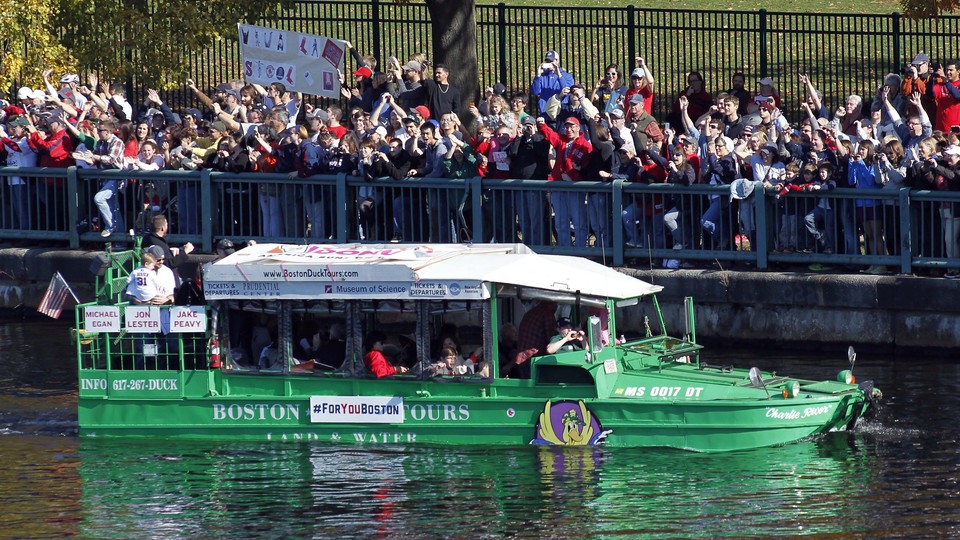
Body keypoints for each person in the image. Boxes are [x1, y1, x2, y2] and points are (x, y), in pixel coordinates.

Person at [141, 214, 194, 284]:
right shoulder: (159, 243)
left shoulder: (147, 238)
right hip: (165, 281)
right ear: (163, 228)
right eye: (167, 225)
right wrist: (186, 251)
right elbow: (169, 263)